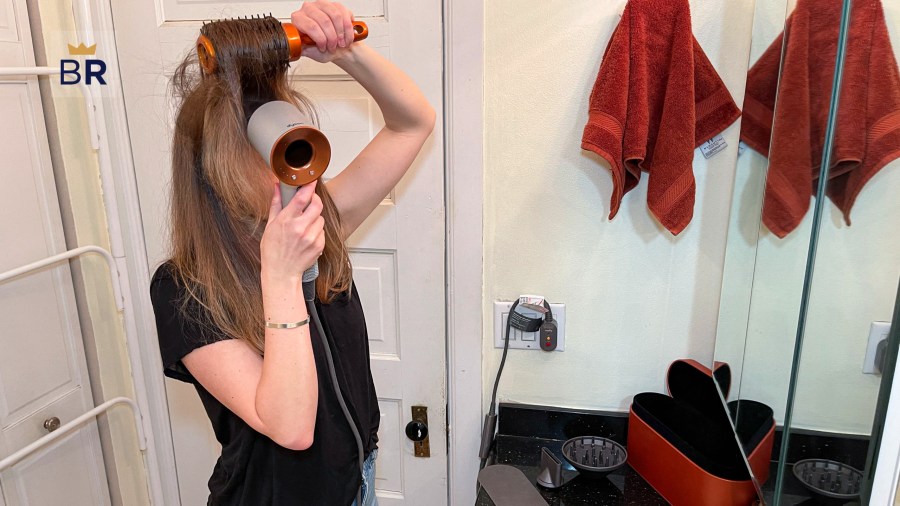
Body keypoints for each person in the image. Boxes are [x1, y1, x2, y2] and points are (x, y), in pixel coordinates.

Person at [149, 1, 435, 504]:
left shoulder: (322, 222)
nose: (297, 172)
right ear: (216, 170)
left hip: (356, 480)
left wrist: (347, 52)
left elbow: (412, 123)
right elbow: (291, 428)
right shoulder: (183, 288)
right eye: (272, 151)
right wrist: (281, 280)